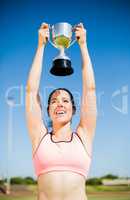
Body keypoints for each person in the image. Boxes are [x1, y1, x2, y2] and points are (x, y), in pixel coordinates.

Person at [25, 22, 97, 200]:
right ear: (47, 111)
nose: (59, 104)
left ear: (73, 110)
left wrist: (83, 45)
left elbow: (90, 90)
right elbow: (30, 91)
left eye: (65, 100)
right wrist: (41, 45)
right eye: (54, 101)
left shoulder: (83, 136)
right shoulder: (40, 137)